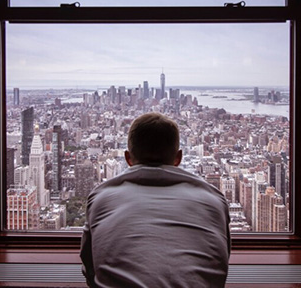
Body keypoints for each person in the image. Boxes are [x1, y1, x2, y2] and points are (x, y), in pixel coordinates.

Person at [80, 112, 231, 288]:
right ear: (178, 158)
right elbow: (220, 262)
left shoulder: (101, 198)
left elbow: (89, 267)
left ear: (128, 158)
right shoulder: (213, 200)